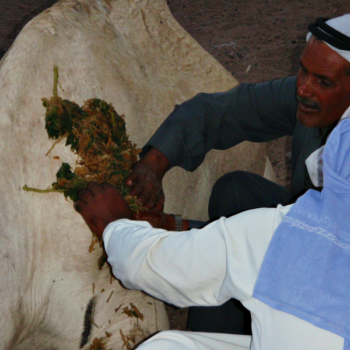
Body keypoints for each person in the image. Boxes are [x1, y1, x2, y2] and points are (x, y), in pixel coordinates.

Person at [122, 14, 350, 334]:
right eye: (302, 70)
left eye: (323, 81)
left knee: (225, 262)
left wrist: (181, 230)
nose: (303, 89)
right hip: (310, 236)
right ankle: (218, 331)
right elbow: (220, 112)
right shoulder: (315, 96)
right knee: (236, 190)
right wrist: (152, 165)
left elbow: (306, 249)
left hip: (335, 293)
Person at [73, 108, 350, 350]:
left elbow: (157, 266)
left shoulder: (282, 234)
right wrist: (176, 224)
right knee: (237, 189)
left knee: (165, 346)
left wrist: (115, 224)